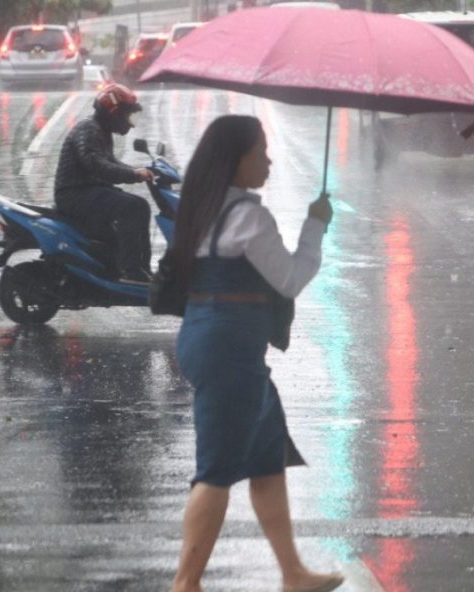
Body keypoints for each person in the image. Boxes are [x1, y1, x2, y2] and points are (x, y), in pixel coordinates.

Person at [167, 115, 341, 592]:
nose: (268, 160)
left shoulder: (203, 206)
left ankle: (293, 573)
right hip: (229, 350)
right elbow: (288, 278)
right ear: (236, 158)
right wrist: (315, 226)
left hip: (213, 338)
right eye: (260, 151)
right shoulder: (247, 216)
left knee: (266, 457)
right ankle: (185, 584)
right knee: (217, 469)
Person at [53, 83, 155, 284]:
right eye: (126, 115)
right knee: (134, 207)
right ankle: (132, 271)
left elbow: (110, 162)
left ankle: (140, 269)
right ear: (113, 112)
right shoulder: (88, 129)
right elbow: (96, 164)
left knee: (137, 206)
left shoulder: (100, 130)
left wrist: (142, 171)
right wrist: (134, 174)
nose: (129, 123)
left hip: (89, 191)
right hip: (74, 194)